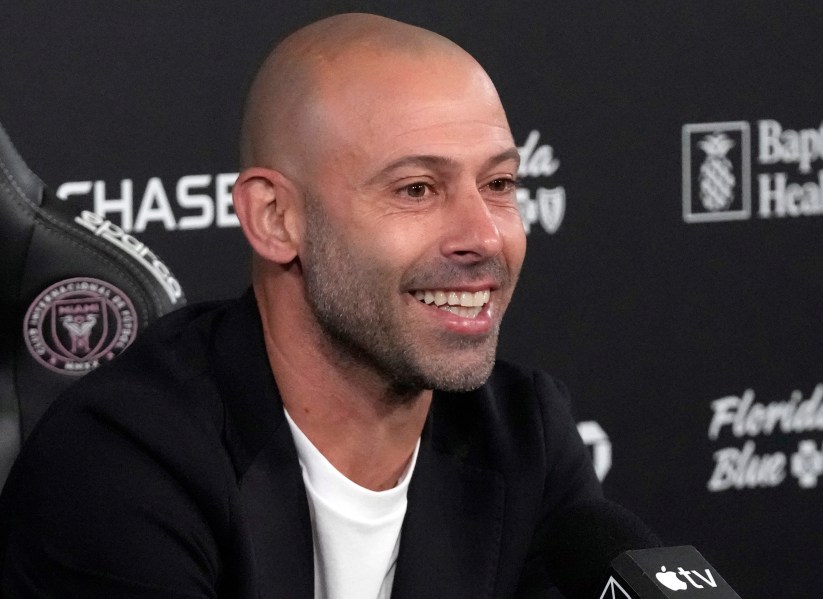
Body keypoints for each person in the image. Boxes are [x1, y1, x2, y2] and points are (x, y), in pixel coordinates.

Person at [0, 13, 603, 598]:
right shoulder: (121, 462)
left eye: (498, 185)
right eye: (416, 189)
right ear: (274, 218)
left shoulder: (525, 434)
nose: (485, 236)